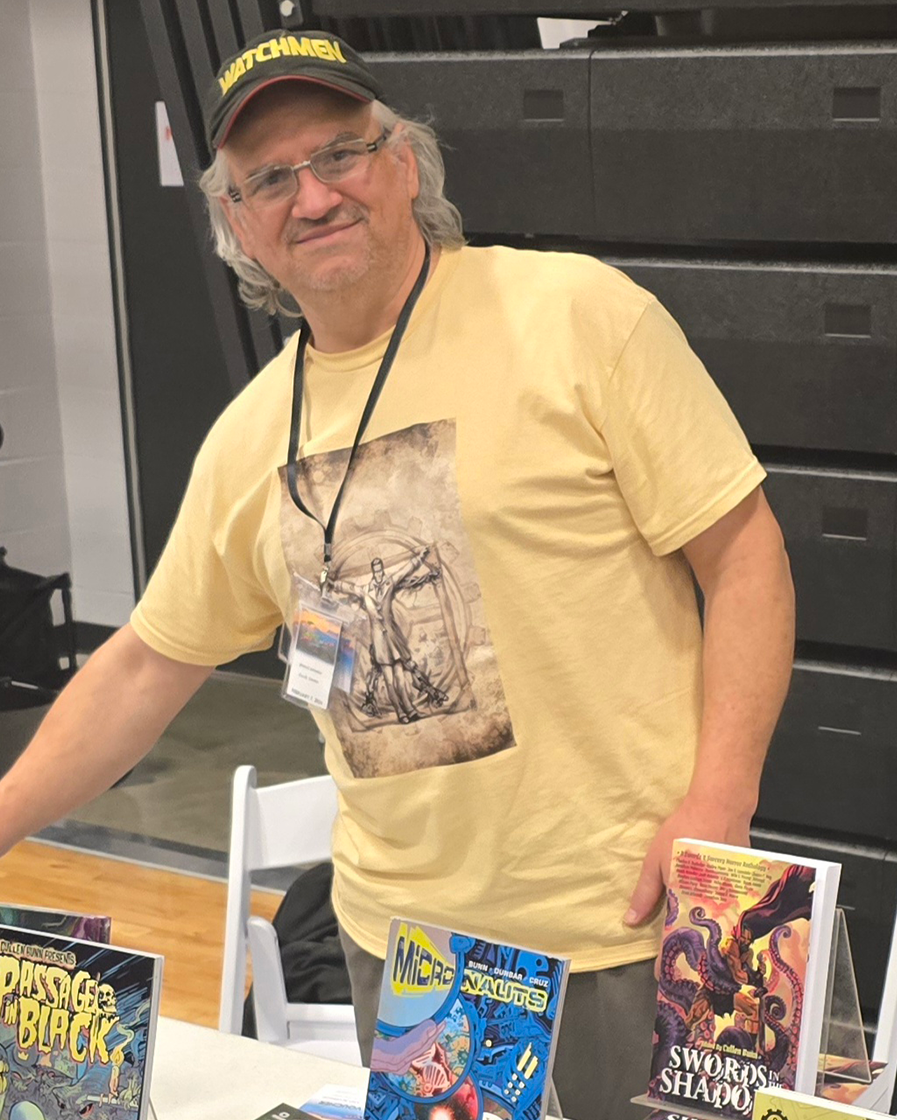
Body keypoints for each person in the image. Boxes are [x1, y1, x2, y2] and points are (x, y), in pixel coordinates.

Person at [0, 28, 795, 1120]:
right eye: (269, 178)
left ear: (405, 164)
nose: (313, 195)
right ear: (237, 221)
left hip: (654, 916)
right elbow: (145, 664)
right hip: (417, 956)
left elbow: (744, 553)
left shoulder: (577, 315)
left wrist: (720, 803)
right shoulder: (247, 443)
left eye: (340, 154)